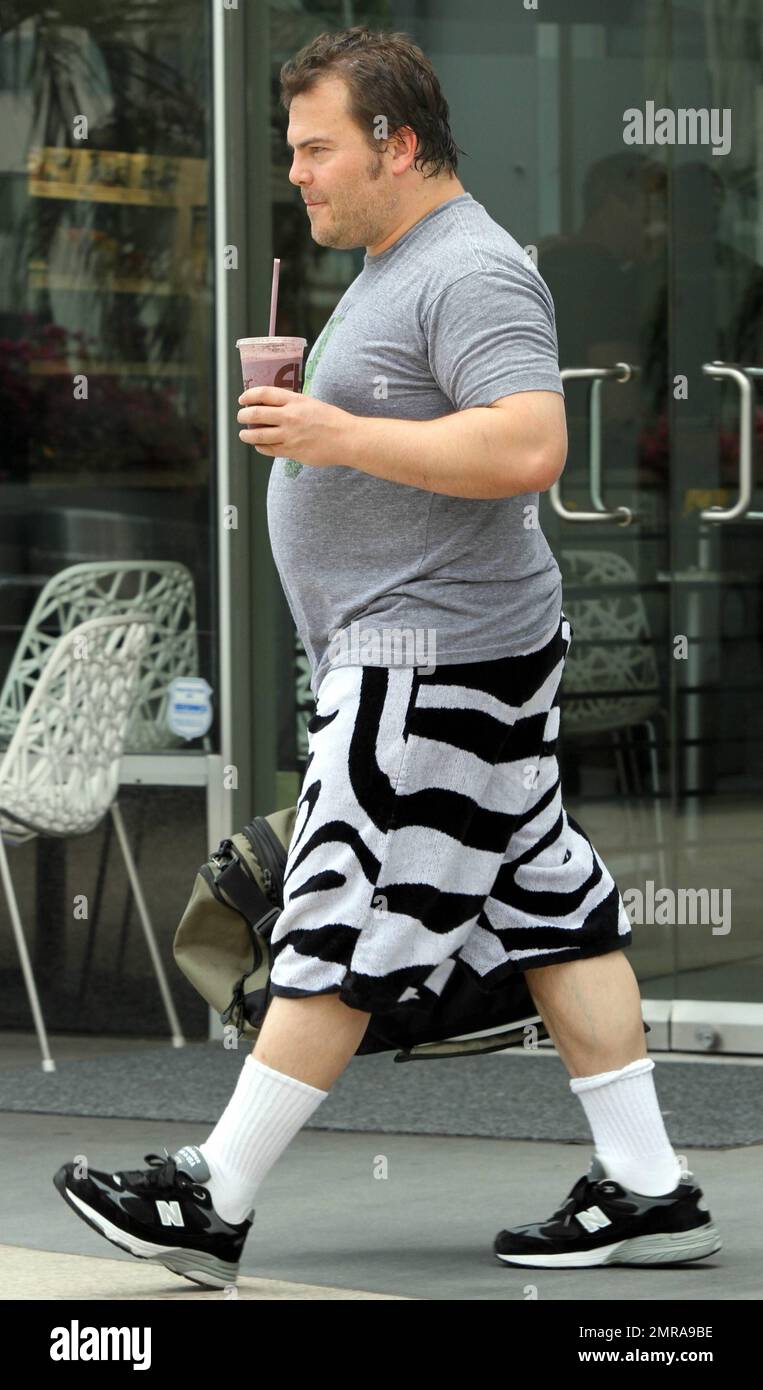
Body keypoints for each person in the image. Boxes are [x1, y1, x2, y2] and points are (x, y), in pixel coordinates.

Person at [53, 25, 721, 1286]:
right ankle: (647, 1187)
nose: (295, 173)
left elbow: (527, 447)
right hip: (463, 654)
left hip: (428, 659)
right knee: (558, 917)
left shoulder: (468, 271)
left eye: (315, 149)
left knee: (342, 913)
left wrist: (335, 435)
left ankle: (214, 1194)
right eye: (289, 148)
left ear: (395, 143)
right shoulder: (403, 261)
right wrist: (335, 436)